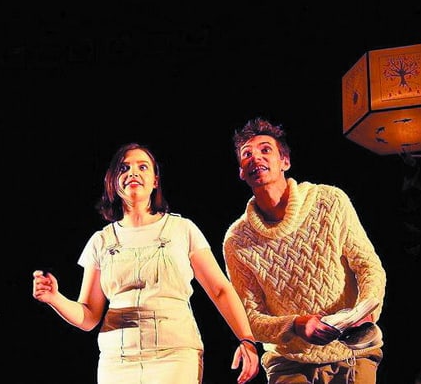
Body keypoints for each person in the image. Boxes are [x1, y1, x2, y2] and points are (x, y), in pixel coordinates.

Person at [32, 142, 260, 384]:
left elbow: (220, 289)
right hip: (117, 360)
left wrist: (246, 338)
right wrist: (55, 298)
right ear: (113, 181)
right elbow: (88, 316)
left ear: (155, 181)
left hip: (175, 355)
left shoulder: (182, 229)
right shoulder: (101, 241)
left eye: (142, 167)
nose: (133, 173)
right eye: (124, 168)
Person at [222, 117, 387, 384]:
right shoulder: (237, 240)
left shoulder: (329, 201)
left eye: (265, 150)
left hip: (351, 351)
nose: (255, 158)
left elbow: (368, 266)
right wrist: (296, 325)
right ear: (241, 172)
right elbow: (249, 317)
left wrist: (366, 309)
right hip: (289, 362)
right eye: (246, 154)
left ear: (285, 161)